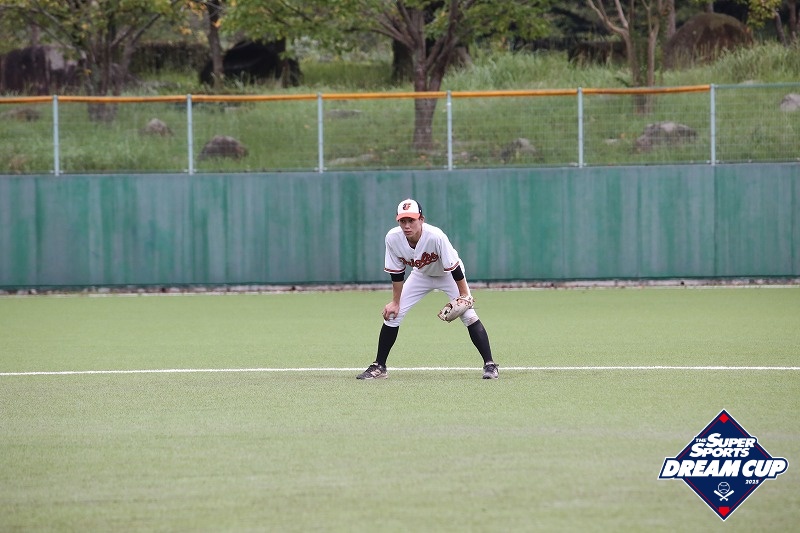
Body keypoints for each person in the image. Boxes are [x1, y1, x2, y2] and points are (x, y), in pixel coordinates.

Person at [356, 198, 498, 380]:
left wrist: (464, 295)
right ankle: (379, 366)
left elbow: (454, 268)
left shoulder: (436, 236)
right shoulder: (392, 238)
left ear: (421, 220)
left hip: (448, 275)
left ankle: (490, 365)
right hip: (421, 275)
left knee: (469, 316)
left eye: (411, 220)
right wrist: (395, 302)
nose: (407, 225)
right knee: (393, 315)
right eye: (402, 221)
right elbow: (397, 274)